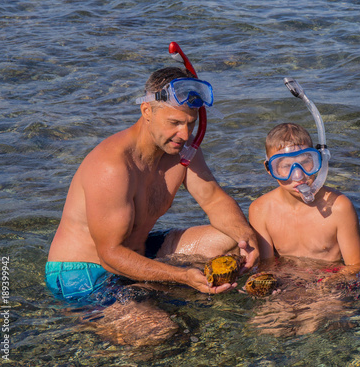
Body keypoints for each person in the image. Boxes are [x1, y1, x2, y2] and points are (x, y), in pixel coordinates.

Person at [46, 66, 259, 302]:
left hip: (142, 250)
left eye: (191, 123)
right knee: (159, 332)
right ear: (147, 111)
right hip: (86, 271)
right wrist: (181, 277)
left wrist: (246, 237)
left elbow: (214, 199)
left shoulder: (182, 150)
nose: (185, 134)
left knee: (232, 243)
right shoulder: (112, 167)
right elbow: (109, 255)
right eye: (175, 122)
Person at [249, 123, 360, 279]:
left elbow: (356, 266)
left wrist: (329, 284)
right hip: (287, 280)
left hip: (331, 282)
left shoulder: (339, 207)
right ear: (269, 169)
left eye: (305, 163)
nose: (298, 175)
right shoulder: (260, 210)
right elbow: (266, 267)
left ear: (319, 160)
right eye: (285, 166)